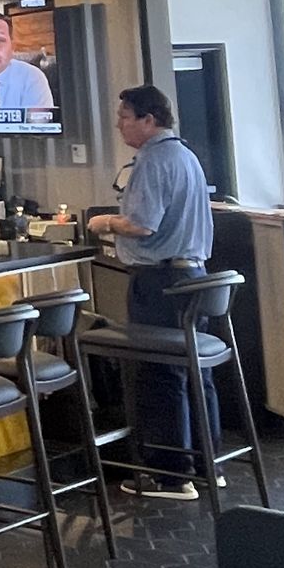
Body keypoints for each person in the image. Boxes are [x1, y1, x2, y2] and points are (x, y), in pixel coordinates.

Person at [87, 85, 216, 501]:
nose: (120, 125)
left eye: (125, 117)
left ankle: (171, 476)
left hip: (160, 282)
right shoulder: (186, 155)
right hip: (195, 277)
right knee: (196, 373)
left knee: (159, 374)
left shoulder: (154, 159)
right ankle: (207, 465)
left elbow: (142, 224)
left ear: (149, 119)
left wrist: (104, 221)